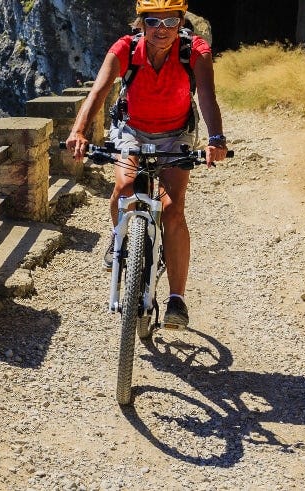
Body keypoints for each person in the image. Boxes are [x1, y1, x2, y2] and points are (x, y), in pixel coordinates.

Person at [64, 0, 227, 329]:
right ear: (140, 23)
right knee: (124, 188)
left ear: (181, 22)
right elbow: (100, 90)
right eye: (153, 21)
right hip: (131, 130)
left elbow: (206, 95)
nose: (162, 30)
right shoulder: (125, 48)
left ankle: (177, 299)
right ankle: (118, 236)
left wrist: (216, 139)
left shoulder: (194, 50)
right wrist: (79, 130)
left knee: (173, 208)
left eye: (170, 21)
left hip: (178, 132)